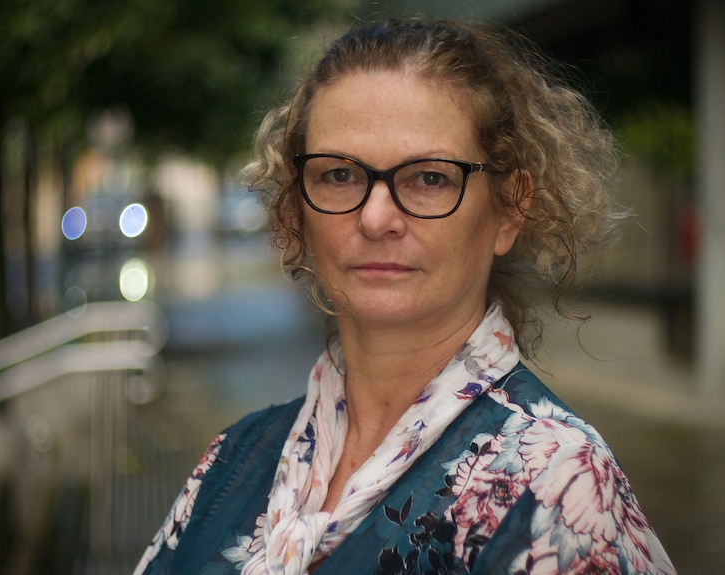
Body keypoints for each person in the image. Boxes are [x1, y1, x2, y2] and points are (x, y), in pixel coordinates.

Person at [134, 18, 676, 575]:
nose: (375, 217)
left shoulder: (556, 490)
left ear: (510, 209)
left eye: (430, 178)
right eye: (340, 174)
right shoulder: (234, 459)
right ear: (296, 206)